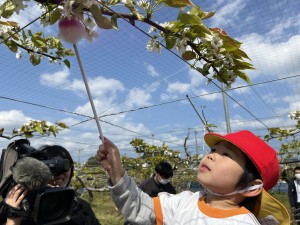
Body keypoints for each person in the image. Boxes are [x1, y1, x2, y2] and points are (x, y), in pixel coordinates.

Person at [96, 130, 290, 225]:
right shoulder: (183, 202)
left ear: (252, 187)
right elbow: (138, 206)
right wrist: (116, 173)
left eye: (227, 155)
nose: (211, 155)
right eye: (214, 150)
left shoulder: (244, 223)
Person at [0, 145, 101, 225]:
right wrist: (13, 218)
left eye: (65, 166)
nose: (59, 174)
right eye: (50, 168)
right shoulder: (19, 207)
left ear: (72, 171)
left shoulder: (80, 207)